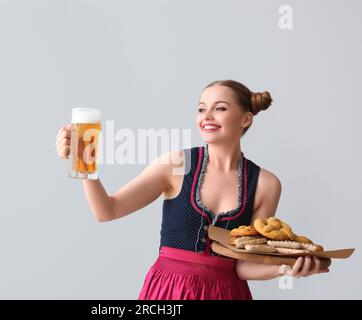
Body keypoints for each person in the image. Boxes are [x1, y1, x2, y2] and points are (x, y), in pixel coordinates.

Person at [55, 80, 329, 300]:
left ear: (245, 119)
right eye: (201, 108)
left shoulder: (266, 184)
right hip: (169, 291)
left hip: (227, 293)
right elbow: (107, 210)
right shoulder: (175, 165)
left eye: (220, 108)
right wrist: (84, 165)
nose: (206, 116)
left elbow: (244, 265)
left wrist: (286, 268)